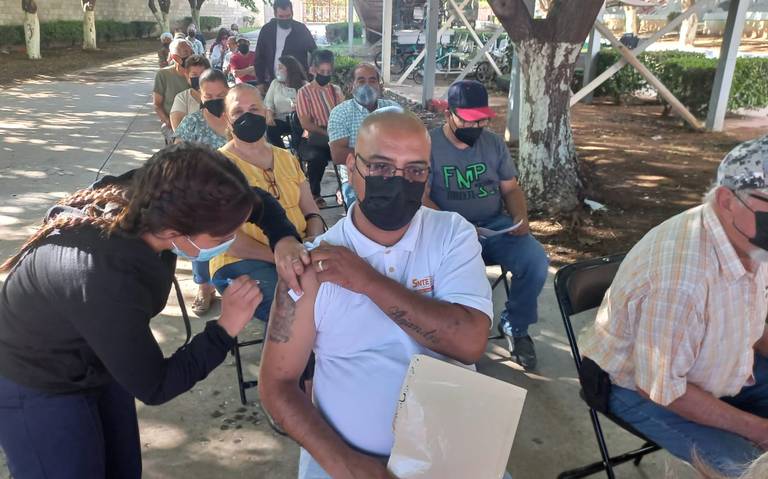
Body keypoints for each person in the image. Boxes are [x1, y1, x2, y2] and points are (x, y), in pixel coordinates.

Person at [0, 143, 312, 478]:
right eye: (225, 235)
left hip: (97, 353)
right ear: (174, 233)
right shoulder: (104, 274)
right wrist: (225, 328)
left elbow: (256, 203)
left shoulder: (162, 196)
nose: (233, 237)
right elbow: (155, 385)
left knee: (122, 469)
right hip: (35, 379)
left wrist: (284, 238)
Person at [259, 110, 500, 479]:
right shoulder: (312, 264)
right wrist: (345, 464)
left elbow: (469, 343)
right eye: (381, 167)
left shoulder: (452, 234)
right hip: (345, 459)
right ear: (352, 166)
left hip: (449, 450)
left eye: (415, 170)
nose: (398, 182)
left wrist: (367, 281)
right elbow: (277, 384)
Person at [580, 136, 768, 477]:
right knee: (751, 470)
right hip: (638, 387)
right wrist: (757, 430)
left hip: (713, 364)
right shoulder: (682, 279)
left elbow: (749, 322)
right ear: (726, 200)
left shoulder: (747, 237)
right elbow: (661, 388)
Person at [423, 80, 548, 370]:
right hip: (449, 233)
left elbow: (511, 189)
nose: (475, 127)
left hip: (494, 227)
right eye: (468, 120)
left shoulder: (493, 143)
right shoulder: (429, 145)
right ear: (448, 115)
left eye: (481, 120)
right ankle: (452, 333)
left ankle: (516, 326)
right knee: (452, 277)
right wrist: (456, 226)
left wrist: (520, 217)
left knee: (535, 260)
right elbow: (421, 198)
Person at [211, 83, 325, 321]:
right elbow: (227, 241)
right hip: (242, 260)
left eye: (254, 109)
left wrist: (313, 239)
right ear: (227, 119)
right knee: (292, 308)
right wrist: (282, 256)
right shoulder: (218, 166)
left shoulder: (286, 157)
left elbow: (311, 211)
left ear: (265, 112)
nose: (248, 116)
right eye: (238, 112)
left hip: (299, 252)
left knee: (338, 294)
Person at [328, 62, 399, 208]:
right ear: (351, 86)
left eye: (372, 80)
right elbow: (338, 155)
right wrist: (383, 156)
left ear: (379, 86)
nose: (367, 85)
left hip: (395, 174)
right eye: (361, 81)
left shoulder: (393, 109)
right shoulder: (340, 113)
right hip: (357, 177)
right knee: (366, 212)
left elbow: (408, 143)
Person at [296, 49, 343, 207]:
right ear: (314, 70)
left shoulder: (336, 90)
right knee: (318, 158)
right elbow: (306, 124)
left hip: (335, 135)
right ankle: (314, 193)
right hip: (314, 138)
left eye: (328, 72)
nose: (325, 75)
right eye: (322, 71)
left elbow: (343, 114)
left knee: (353, 153)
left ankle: (343, 189)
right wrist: (327, 134)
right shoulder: (304, 92)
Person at [254, 0, 316, 89]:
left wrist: (311, 74)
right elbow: (259, 57)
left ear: (292, 13)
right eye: (281, 16)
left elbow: (314, 51)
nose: (285, 19)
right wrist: (260, 82)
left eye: (288, 16)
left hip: (297, 82)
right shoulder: (267, 30)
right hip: (273, 81)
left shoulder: (301, 29)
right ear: (275, 14)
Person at [175, 69, 229, 149]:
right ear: (200, 94)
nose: (215, 100)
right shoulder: (191, 122)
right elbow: (178, 153)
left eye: (220, 95)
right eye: (208, 96)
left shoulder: (239, 118)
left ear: (229, 91)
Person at [153, 38, 194, 144]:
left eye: (192, 52)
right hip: (172, 125)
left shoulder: (199, 73)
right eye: (186, 53)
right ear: (175, 57)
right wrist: (168, 122)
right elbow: (157, 105)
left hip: (196, 125)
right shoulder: (163, 75)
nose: (191, 56)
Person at [265, 55, 307, 149]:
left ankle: (298, 152)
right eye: (277, 67)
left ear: (290, 69)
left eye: (281, 67)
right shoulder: (275, 84)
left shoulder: (304, 85)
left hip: (299, 120)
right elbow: (269, 103)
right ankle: (281, 152)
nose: (277, 70)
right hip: (281, 120)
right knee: (271, 129)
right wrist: (269, 115)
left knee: (297, 124)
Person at [169, 54, 210, 130]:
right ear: (187, 76)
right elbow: (177, 127)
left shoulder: (219, 96)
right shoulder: (182, 98)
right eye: (194, 74)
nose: (199, 78)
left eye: (203, 74)